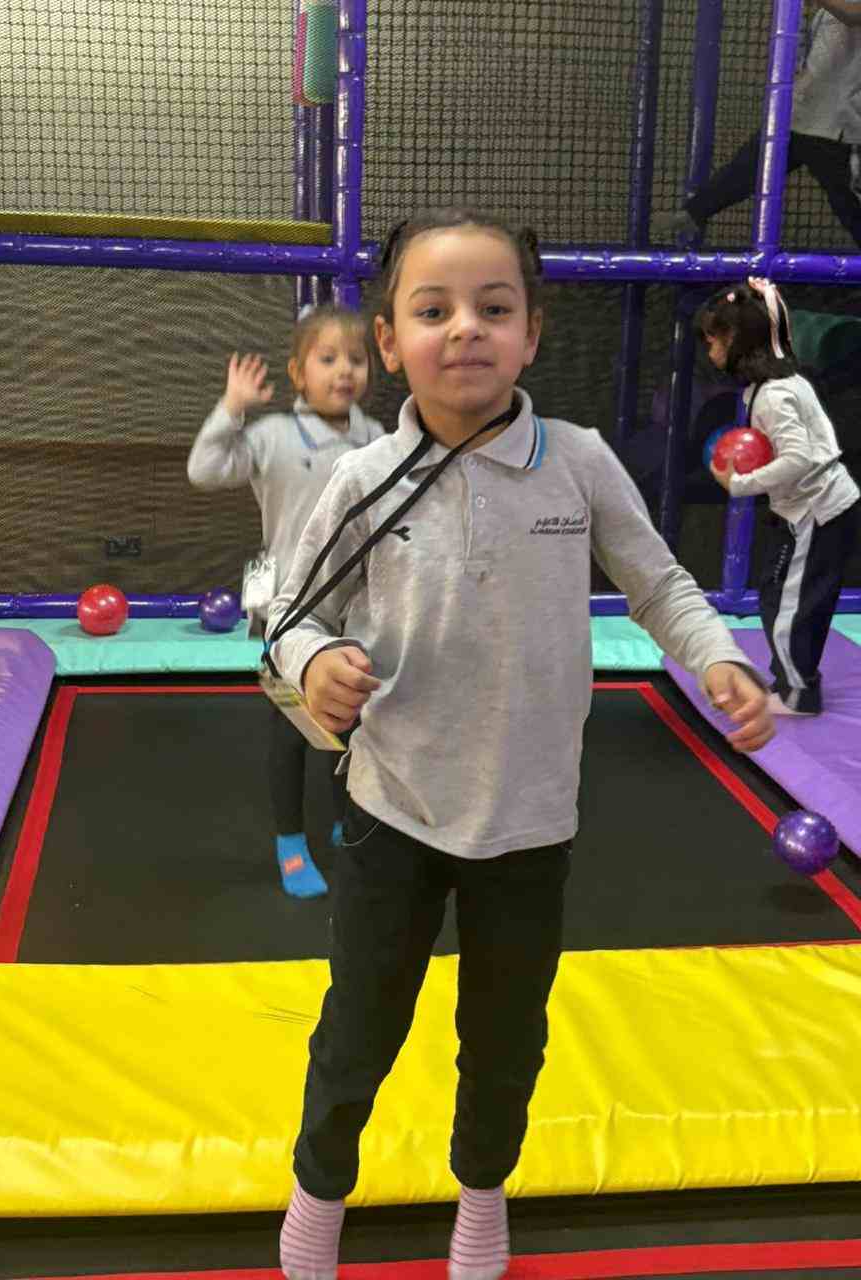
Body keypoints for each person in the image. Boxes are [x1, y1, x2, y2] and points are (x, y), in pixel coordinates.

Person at [265, 208, 774, 1280]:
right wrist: (314, 661)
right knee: (358, 1029)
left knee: (505, 1042)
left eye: (494, 308)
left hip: (531, 820)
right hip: (393, 810)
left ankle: (482, 1198)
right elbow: (289, 616)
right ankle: (316, 1199)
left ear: (532, 334)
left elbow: (660, 581)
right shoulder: (362, 479)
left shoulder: (575, 463)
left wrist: (715, 655)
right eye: (433, 310)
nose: (466, 328)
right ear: (390, 342)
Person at [188, 305, 385, 898]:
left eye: (356, 359)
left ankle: (345, 823)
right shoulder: (273, 436)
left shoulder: (377, 438)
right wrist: (232, 408)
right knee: (292, 731)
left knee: (349, 726)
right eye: (328, 359)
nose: (344, 370)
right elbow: (205, 469)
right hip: (286, 610)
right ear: (298, 373)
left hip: (354, 612)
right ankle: (290, 841)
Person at [701, 278, 860, 715]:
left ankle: (798, 693)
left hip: (817, 511)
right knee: (780, 595)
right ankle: (792, 679)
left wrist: (740, 483)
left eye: (714, 340)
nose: (710, 350)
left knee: (789, 604)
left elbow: (799, 459)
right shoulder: (780, 382)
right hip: (810, 510)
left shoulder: (774, 394)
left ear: (738, 341)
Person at [657, 0, 861, 247]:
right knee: (749, 166)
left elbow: (852, 14)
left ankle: (694, 212)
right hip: (799, 116)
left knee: (847, 203)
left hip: (837, 128)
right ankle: (693, 213)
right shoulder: (827, 12)